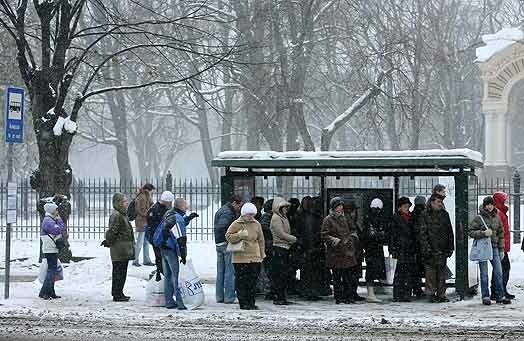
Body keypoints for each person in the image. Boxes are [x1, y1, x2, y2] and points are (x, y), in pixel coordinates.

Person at [469, 196, 511, 305]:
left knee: (498, 272)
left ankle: (500, 295)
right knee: (484, 273)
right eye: (487, 204)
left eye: (491, 204)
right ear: (484, 205)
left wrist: (502, 249)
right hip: (483, 247)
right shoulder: (478, 218)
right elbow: (471, 232)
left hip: (495, 247)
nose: (489, 206)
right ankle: (486, 296)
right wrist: (483, 233)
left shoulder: (497, 217)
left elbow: (501, 234)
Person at [225, 203, 266, 310]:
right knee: (242, 281)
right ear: (243, 214)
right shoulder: (236, 223)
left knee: (252, 281)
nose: (250, 217)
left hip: (254, 257)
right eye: (248, 214)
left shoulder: (257, 224)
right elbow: (228, 236)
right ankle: (243, 302)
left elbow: (261, 240)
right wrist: (239, 235)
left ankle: (251, 302)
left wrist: (262, 254)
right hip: (240, 258)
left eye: (252, 214)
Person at [321, 197, 360, 304]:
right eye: (338, 206)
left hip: (347, 251)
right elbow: (324, 235)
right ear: (334, 208)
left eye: (341, 205)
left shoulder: (346, 217)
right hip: (336, 252)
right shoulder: (328, 219)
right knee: (337, 277)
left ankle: (348, 297)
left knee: (348, 276)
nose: (340, 208)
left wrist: (352, 238)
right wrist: (336, 241)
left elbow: (353, 229)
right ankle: (339, 297)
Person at [160, 198, 197, 310]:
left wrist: (188, 218)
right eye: (186, 205)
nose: (187, 207)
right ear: (181, 206)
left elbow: (173, 227)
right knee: (177, 276)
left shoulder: (169, 213)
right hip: (171, 249)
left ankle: (169, 301)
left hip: (163, 247)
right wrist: (183, 255)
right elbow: (180, 238)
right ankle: (181, 303)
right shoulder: (178, 218)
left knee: (168, 276)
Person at [419, 194, 454, 303]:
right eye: (438, 202)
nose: (440, 204)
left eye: (441, 202)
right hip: (431, 249)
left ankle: (441, 294)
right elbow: (422, 234)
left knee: (441, 274)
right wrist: (426, 249)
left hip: (442, 249)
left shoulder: (444, 214)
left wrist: (450, 247)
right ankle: (431, 294)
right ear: (432, 202)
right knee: (431, 274)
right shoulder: (425, 215)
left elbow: (449, 232)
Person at [103, 193, 134, 302]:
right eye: (124, 201)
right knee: (118, 271)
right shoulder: (117, 215)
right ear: (119, 203)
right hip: (119, 249)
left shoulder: (122, 214)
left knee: (122, 271)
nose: (126, 203)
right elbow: (113, 231)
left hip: (123, 248)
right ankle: (117, 294)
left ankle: (119, 292)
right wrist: (108, 241)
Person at [214, 195, 243, 304]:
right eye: (239, 206)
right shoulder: (227, 213)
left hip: (219, 243)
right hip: (226, 244)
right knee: (230, 272)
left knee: (220, 271)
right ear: (234, 203)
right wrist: (231, 237)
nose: (239, 209)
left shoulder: (222, 210)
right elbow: (222, 227)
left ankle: (219, 296)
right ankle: (229, 297)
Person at [295, 196, 323, 301]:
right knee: (310, 271)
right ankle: (310, 291)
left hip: (307, 248)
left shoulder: (301, 216)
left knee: (308, 271)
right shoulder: (314, 217)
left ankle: (308, 290)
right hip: (310, 248)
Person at [390, 197, 417, 302]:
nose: (407, 208)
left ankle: (406, 294)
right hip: (401, 248)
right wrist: (393, 249)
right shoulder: (396, 218)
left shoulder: (410, 217)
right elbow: (392, 235)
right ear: (400, 207)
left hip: (409, 248)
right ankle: (398, 294)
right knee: (400, 273)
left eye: (408, 206)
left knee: (407, 272)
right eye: (405, 206)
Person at [270, 197, 297, 305]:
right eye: (284, 207)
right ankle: (279, 297)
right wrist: (293, 239)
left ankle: (281, 296)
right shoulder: (276, 218)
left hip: (285, 247)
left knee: (282, 274)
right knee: (280, 274)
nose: (286, 209)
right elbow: (280, 233)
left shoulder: (283, 217)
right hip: (280, 247)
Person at [362, 198, 387, 303]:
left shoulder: (368, 218)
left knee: (371, 269)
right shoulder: (375, 219)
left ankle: (371, 292)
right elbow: (376, 234)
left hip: (370, 248)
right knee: (372, 270)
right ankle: (370, 293)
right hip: (374, 247)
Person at [39, 202, 65, 300]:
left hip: (52, 248)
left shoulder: (50, 219)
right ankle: (46, 292)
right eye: (56, 209)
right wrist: (60, 221)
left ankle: (49, 292)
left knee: (52, 271)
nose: (57, 211)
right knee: (51, 271)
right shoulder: (48, 220)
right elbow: (58, 230)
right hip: (50, 249)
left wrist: (58, 221)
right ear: (52, 211)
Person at [491, 192, 514, 300]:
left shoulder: (500, 212)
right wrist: (502, 246)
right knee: (504, 268)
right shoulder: (499, 213)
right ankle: (500, 290)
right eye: (504, 200)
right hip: (500, 246)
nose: (507, 202)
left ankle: (496, 290)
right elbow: (500, 231)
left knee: (498, 268)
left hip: (501, 245)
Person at [146, 191, 174, 279]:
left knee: (160, 259)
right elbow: (155, 227)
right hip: (159, 240)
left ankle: (161, 274)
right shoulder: (160, 210)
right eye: (170, 202)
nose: (171, 204)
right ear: (167, 201)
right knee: (161, 259)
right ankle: (162, 276)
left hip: (157, 239)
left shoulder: (154, 209)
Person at [133, 183, 155, 267]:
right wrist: (149, 214)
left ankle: (146, 260)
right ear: (148, 190)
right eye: (152, 191)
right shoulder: (142, 197)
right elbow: (141, 210)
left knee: (146, 242)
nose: (152, 193)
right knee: (140, 242)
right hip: (142, 222)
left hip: (145, 222)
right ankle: (135, 260)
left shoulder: (146, 196)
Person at [410, 196, 427, 298]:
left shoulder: (412, 215)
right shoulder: (425, 214)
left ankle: (416, 288)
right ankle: (425, 289)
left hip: (414, 246)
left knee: (415, 269)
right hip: (422, 246)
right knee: (426, 268)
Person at [258, 199, 275, 299]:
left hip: (267, 246)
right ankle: (268, 289)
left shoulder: (267, 217)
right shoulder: (267, 217)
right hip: (268, 246)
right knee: (268, 269)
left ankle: (268, 289)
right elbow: (265, 229)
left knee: (268, 269)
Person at [287, 198, 303, 296]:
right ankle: (291, 285)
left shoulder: (292, 216)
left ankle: (290, 285)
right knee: (291, 267)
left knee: (291, 267)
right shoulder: (295, 216)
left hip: (292, 244)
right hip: (293, 244)